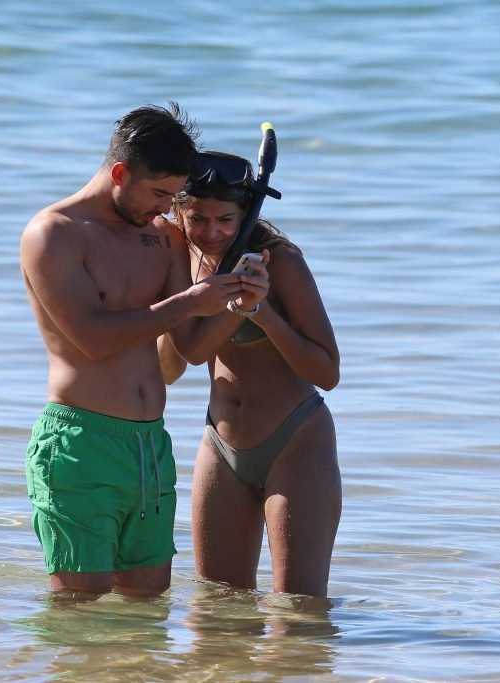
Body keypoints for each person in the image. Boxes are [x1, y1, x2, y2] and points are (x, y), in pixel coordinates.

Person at [19, 105, 270, 596]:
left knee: (147, 608)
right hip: (80, 442)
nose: (165, 208)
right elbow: (92, 339)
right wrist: (189, 301)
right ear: (119, 173)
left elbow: (192, 346)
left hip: (150, 447)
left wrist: (241, 304)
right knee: (80, 606)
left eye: (173, 196)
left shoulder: (161, 236)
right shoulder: (54, 233)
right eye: (158, 194)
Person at [159, 150, 341, 597]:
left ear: (245, 214)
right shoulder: (180, 261)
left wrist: (262, 313)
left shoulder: (279, 262)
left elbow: (327, 371)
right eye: (198, 219)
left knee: (299, 610)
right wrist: (217, 304)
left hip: (297, 442)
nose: (212, 231)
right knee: (217, 607)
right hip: (220, 445)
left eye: (225, 219)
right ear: (179, 212)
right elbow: (184, 358)